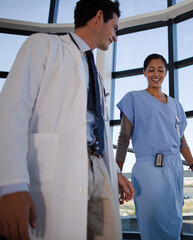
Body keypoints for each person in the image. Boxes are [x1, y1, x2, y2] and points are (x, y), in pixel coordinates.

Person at [0, 0, 135, 239]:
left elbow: (99, 130)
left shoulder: (96, 75)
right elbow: (11, 113)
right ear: (99, 17)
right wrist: (11, 184)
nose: (116, 37)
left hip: (100, 170)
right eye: (114, 28)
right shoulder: (42, 46)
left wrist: (114, 171)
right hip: (58, 168)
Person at [115, 53, 193, 240]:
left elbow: (181, 142)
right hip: (149, 169)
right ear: (144, 73)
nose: (156, 74)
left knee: (173, 222)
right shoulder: (133, 99)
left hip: (175, 169)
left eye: (160, 70)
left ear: (166, 73)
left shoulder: (176, 105)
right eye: (151, 70)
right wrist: (117, 173)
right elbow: (124, 139)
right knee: (154, 222)